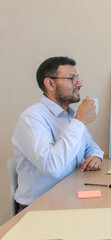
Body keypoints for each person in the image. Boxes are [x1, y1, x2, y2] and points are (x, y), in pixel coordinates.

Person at [11, 56, 104, 212]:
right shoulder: (32, 118)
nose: (79, 84)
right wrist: (80, 121)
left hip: (69, 199)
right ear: (50, 83)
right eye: (71, 79)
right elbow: (53, 167)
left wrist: (96, 156)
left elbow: (90, 145)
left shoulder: (69, 116)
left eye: (78, 79)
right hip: (38, 208)